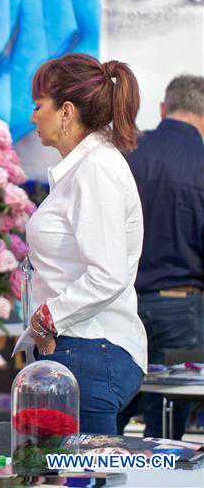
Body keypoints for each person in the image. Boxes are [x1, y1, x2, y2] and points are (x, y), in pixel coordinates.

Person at [25, 53, 147, 435]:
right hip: (81, 349)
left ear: (65, 112)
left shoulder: (96, 168)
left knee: (83, 478)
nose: (32, 116)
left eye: (37, 105)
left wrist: (48, 317)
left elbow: (108, 275)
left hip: (90, 349)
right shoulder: (84, 167)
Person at [116, 75, 204, 439]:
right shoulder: (200, 162)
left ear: (163, 109)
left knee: (113, 416)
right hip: (182, 309)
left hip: (121, 303)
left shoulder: (124, 154)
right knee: (167, 432)